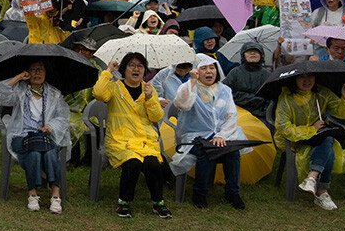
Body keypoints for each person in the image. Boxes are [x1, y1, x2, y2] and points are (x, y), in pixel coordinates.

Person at [93, 53, 171, 219]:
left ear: (145, 70)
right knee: (133, 163)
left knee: (153, 165)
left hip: (144, 141)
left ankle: (158, 203)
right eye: (132, 65)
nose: (136, 69)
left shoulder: (149, 89)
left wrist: (150, 98)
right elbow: (99, 94)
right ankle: (124, 202)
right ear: (124, 69)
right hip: (120, 140)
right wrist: (108, 71)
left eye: (140, 66)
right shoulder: (114, 87)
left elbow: (157, 117)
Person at [274, 71, 345, 211]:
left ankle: (312, 178)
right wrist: (310, 129)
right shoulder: (286, 99)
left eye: (310, 76)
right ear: (294, 79)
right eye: (301, 76)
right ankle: (322, 191)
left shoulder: (321, 93)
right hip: (297, 141)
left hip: (321, 139)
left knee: (326, 140)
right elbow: (283, 128)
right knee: (328, 145)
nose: (306, 80)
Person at [171, 54, 246, 209]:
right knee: (206, 153)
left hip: (220, 135)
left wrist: (221, 135)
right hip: (194, 136)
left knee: (232, 153)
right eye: (203, 68)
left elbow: (231, 116)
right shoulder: (189, 87)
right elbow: (182, 104)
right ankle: (199, 193)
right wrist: (191, 82)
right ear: (196, 71)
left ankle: (232, 193)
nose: (209, 72)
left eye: (212, 67)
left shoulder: (224, 90)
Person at [0, 61, 69, 213]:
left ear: (46, 73)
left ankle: (55, 194)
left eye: (40, 69)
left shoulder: (54, 93)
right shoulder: (20, 91)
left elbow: (62, 116)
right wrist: (18, 77)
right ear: (27, 72)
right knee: (34, 152)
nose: (37, 73)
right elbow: (1, 94)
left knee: (50, 151)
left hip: (45, 135)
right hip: (22, 135)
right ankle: (32, 193)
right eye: (33, 69)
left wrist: (51, 126)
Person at [222, 44, 273, 123]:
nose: (252, 53)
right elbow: (226, 92)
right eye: (249, 51)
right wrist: (250, 98)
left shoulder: (267, 74)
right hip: (238, 113)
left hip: (261, 115)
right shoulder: (235, 72)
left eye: (256, 51)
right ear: (243, 55)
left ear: (261, 55)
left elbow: (271, 97)